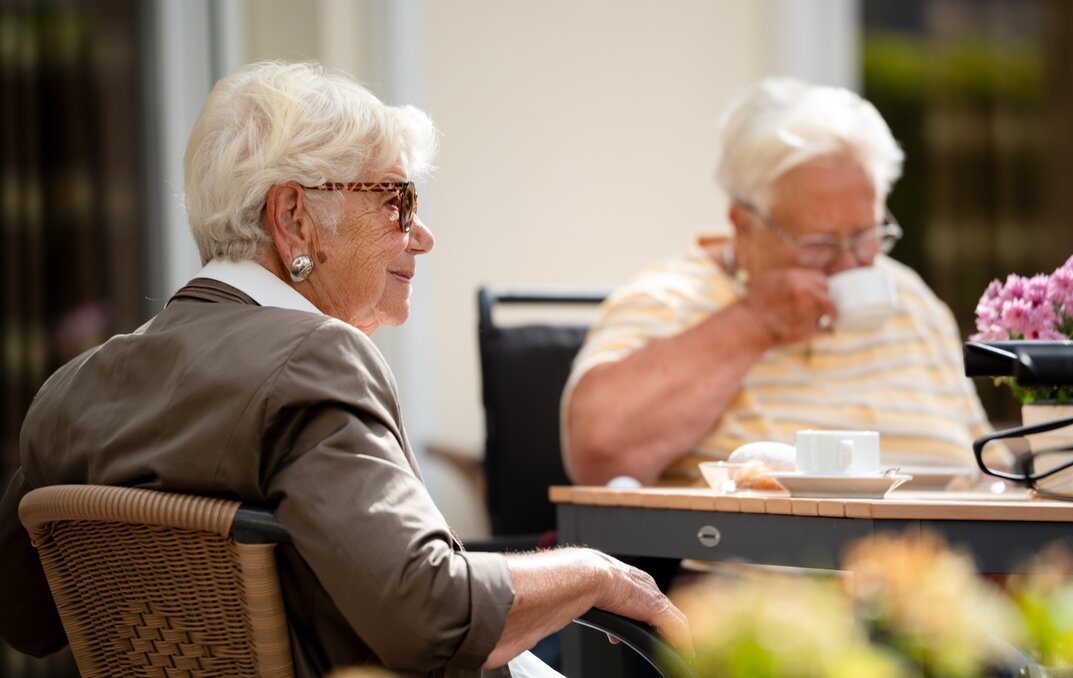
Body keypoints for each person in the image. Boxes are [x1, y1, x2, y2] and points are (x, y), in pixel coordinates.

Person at [0, 61, 687, 678]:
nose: (422, 234)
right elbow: (432, 615)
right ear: (294, 219)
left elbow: (23, 618)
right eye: (397, 199)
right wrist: (594, 571)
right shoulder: (316, 358)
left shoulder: (70, 392)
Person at [563, 77, 993, 487]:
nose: (849, 266)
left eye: (866, 236)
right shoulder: (671, 298)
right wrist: (753, 323)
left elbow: (989, 468)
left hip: (940, 562)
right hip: (758, 564)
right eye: (818, 243)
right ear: (744, 228)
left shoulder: (912, 300)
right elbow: (597, 450)